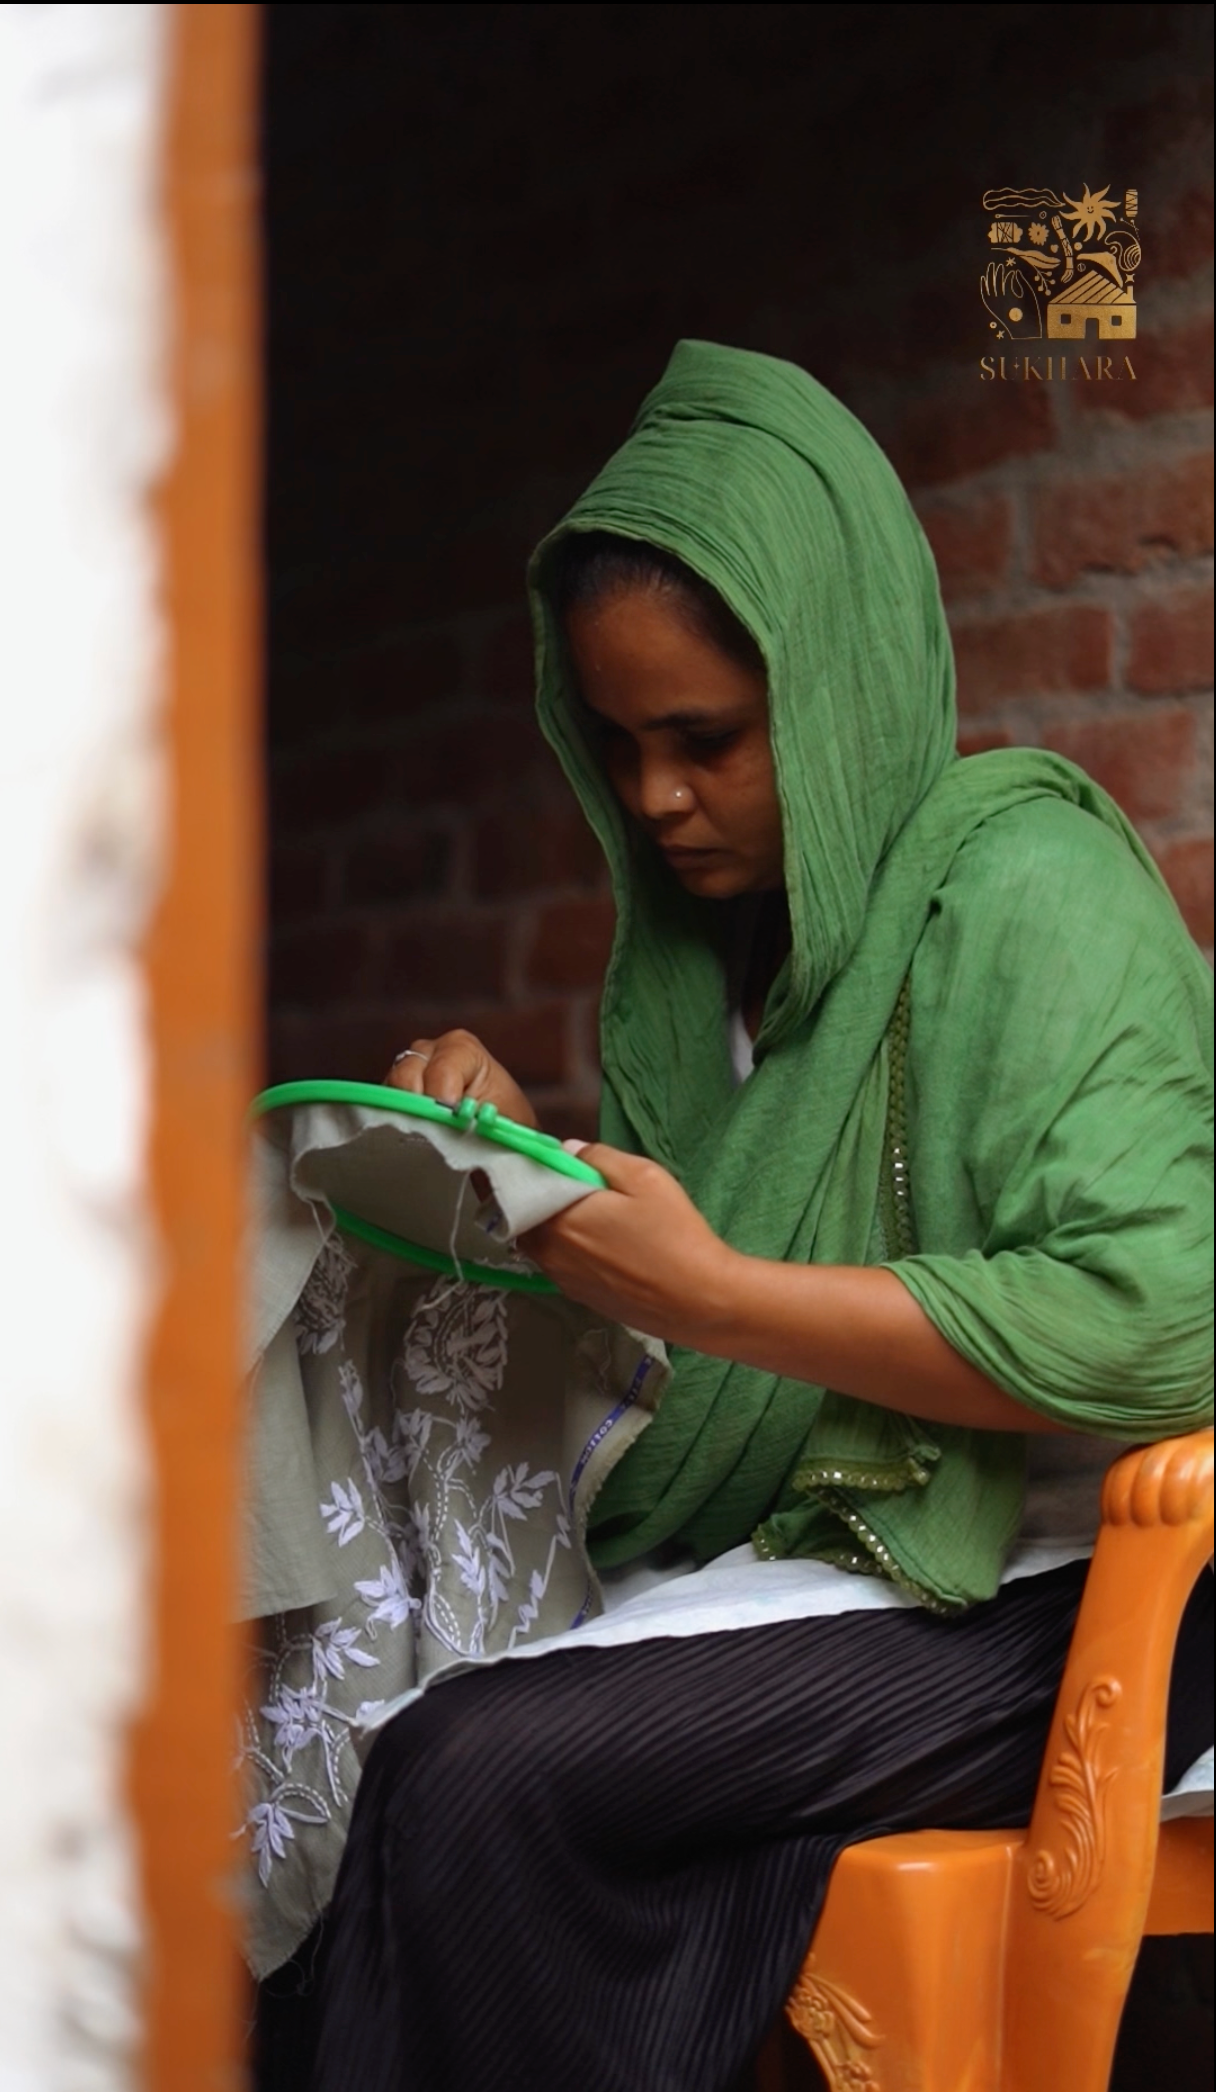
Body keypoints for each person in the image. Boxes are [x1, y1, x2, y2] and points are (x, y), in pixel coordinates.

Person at [310, 342, 1213, 2091]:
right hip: (821, 1566)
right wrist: (511, 1185)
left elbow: (1161, 1316)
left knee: (473, 1773)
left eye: (709, 740)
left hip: (1079, 1585)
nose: (657, 801)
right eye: (621, 744)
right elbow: (692, 1381)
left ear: (845, 684)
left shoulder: (1027, 889)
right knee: (356, 1718)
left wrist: (711, 1291)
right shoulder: (679, 980)